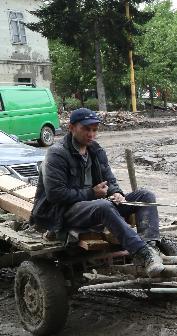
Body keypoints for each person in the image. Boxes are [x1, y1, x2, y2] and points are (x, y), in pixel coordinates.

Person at [30, 108, 164, 276]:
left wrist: (116, 193)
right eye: (86, 129)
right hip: (62, 211)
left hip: (92, 205)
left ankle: (150, 248)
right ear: (71, 128)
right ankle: (142, 253)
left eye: (94, 130)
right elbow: (55, 194)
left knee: (145, 195)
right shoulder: (56, 154)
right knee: (103, 206)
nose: (91, 134)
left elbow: (109, 179)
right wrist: (92, 194)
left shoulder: (95, 150)